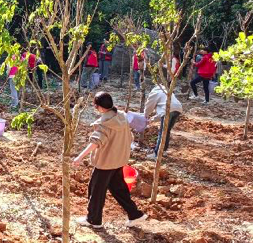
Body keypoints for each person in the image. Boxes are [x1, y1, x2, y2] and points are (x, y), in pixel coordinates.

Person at [72, 91, 147, 229]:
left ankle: (94, 220)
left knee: (96, 191)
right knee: (119, 190)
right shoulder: (122, 117)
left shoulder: (105, 124)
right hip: (119, 160)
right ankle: (135, 215)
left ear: (100, 107)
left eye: (95, 106)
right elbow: (130, 136)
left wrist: (79, 157)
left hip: (105, 164)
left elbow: (95, 142)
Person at [144, 84, 183, 159]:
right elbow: (162, 113)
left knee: (162, 132)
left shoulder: (155, 92)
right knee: (167, 131)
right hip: (178, 109)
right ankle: (163, 151)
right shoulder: (167, 91)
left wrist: (145, 115)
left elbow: (149, 106)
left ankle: (157, 154)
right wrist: (152, 119)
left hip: (168, 110)